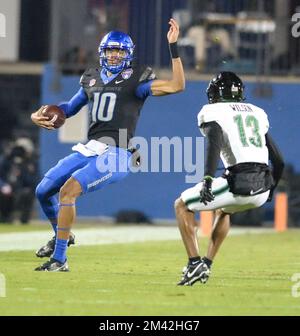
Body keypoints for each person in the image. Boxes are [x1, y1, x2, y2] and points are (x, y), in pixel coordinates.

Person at [31, 18, 185, 272]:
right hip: (90, 148)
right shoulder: (91, 77)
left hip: (117, 152)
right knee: (43, 190)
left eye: (119, 51)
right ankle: (63, 234)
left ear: (128, 54)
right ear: (102, 53)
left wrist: (173, 47)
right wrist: (40, 115)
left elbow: (177, 85)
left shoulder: (137, 78)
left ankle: (59, 259)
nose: (113, 55)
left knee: (68, 191)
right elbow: (69, 108)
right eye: (109, 50)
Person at [174, 71, 284, 286]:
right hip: (262, 185)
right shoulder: (257, 112)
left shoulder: (212, 111)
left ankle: (195, 263)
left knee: (181, 205)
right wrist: (271, 189)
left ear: (215, 93)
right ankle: (207, 263)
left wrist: (207, 178)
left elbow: (213, 144)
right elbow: (278, 160)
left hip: (239, 181)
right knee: (223, 210)